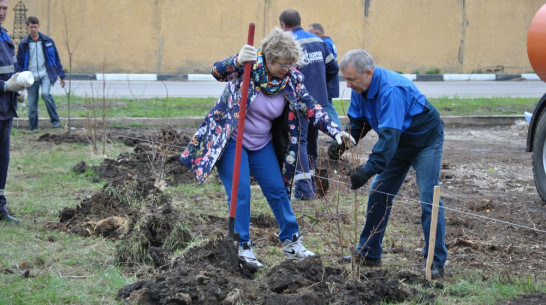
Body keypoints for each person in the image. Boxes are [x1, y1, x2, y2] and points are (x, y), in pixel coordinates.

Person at [180, 27, 355, 268]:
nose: (287, 69)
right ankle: (242, 246)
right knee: (241, 192)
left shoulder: (291, 80)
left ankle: (293, 243)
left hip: (261, 143)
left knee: (277, 190)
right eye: (282, 64)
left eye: (290, 64)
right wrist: (237, 59)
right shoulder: (247, 68)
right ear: (269, 58)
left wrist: (336, 131)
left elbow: (311, 107)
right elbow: (217, 71)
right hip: (232, 141)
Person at [331, 49, 447, 278]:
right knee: (379, 194)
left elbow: (388, 139)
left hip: (424, 141)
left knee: (428, 199)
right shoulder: (360, 88)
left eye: (351, 79)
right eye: (346, 79)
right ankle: (369, 253)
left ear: (368, 73)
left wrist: (367, 170)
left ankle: (435, 262)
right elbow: (360, 123)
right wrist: (342, 142)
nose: (348, 85)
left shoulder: (391, 91)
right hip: (397, 142)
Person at [279, 9, 339, 200]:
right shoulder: (318, 41)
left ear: (283, 25)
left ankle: (304, 191)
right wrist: (320, 85)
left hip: (299, 102)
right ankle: (310, 186)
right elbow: (333, 68)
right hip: (319, 102)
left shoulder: (287, 42)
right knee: (310, 142)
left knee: (299, 142)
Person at [0, 0, 30, 222]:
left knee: (2, 160)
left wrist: (19, 88)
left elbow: (10, 69)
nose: (3, 12)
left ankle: (0, 208)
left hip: (5, 110)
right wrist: (4, 87)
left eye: (5, 8)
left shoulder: (4, 35)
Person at [16, 16, 66, 130]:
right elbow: (19, 63)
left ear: (39, 26)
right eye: (31, 27)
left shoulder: (48, 41)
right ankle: (33, 128)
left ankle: (55, 121)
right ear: (27, 27)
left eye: (35, 27)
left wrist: (62, 76)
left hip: (45, 74)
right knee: (31, 104)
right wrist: (18, 78)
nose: (34, 29)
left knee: (45, 94)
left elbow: (56, 59)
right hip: (31, 77)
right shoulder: (23, 44)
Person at [308, 22, 341, 127]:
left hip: (328, 80)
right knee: (327, 106)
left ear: (317, 33)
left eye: (311, 33)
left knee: (327, 106)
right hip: (329, 79)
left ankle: (339, 130)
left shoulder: (324, 43)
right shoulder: (328, 41)